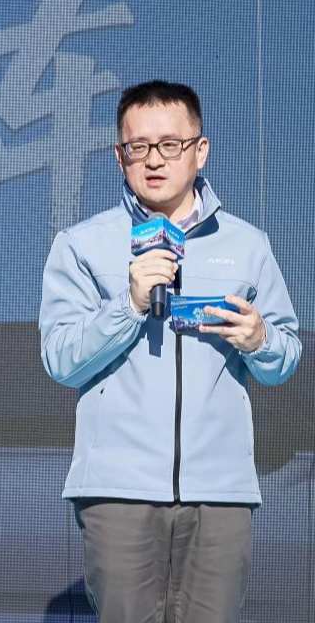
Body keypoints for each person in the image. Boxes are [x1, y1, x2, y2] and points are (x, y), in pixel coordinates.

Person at [38, 80, 301, 623]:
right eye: (139, 147)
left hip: (220, 491)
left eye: (170, 145)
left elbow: (285, 358)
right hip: (118, 489)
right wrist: (129, 305)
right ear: (120, 156)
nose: (154, 160)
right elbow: (61, 358)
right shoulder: (81, 245)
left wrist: (260, 341)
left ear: (200, 151)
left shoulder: (247, 245)